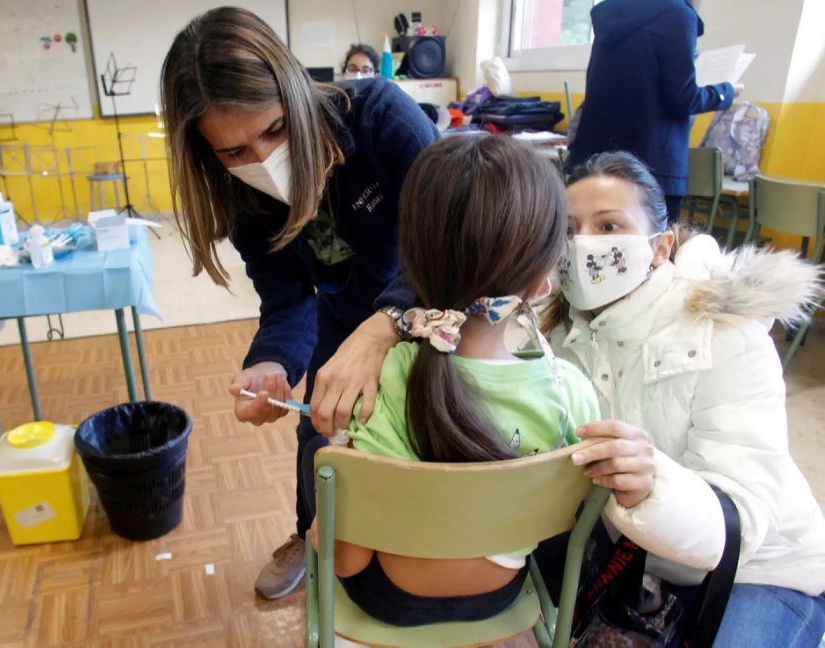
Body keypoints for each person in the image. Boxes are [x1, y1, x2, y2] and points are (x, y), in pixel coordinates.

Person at [160, 7, 438, 599]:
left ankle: (429, 551)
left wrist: (386, 326)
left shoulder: (380, 116)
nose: (259, 160)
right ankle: (311, 533)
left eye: (274, 129)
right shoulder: (240, 197)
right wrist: (273, 365)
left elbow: (445, 242)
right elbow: (286, 298)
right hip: (344, 312)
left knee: (428, 427)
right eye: (232, 152)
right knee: (319, 433)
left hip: (430, 302)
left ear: (294, 93)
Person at [309, 134, 602, 626]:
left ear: (412, 268)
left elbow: (345, 559)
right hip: (502, 594)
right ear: (539, 282)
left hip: (391, 599)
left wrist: (329, 484)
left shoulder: (385, 381)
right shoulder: (568, 392)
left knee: (321, 469)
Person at [543, 151, 825, 645]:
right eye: (569, 229)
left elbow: (745, 516)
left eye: (608, 227)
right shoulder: (559, 337)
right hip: (641, 561)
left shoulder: (724, 332)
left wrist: (653, 484)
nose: (583, 244)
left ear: (660, 246)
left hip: (762, 568)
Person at [566, 0, 742, 225]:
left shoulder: (610, 13)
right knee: (653, 252)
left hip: (595, 158)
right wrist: (725, 92)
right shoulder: (678, 15)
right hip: (653, 164)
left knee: (584, 242)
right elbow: (682, 98)